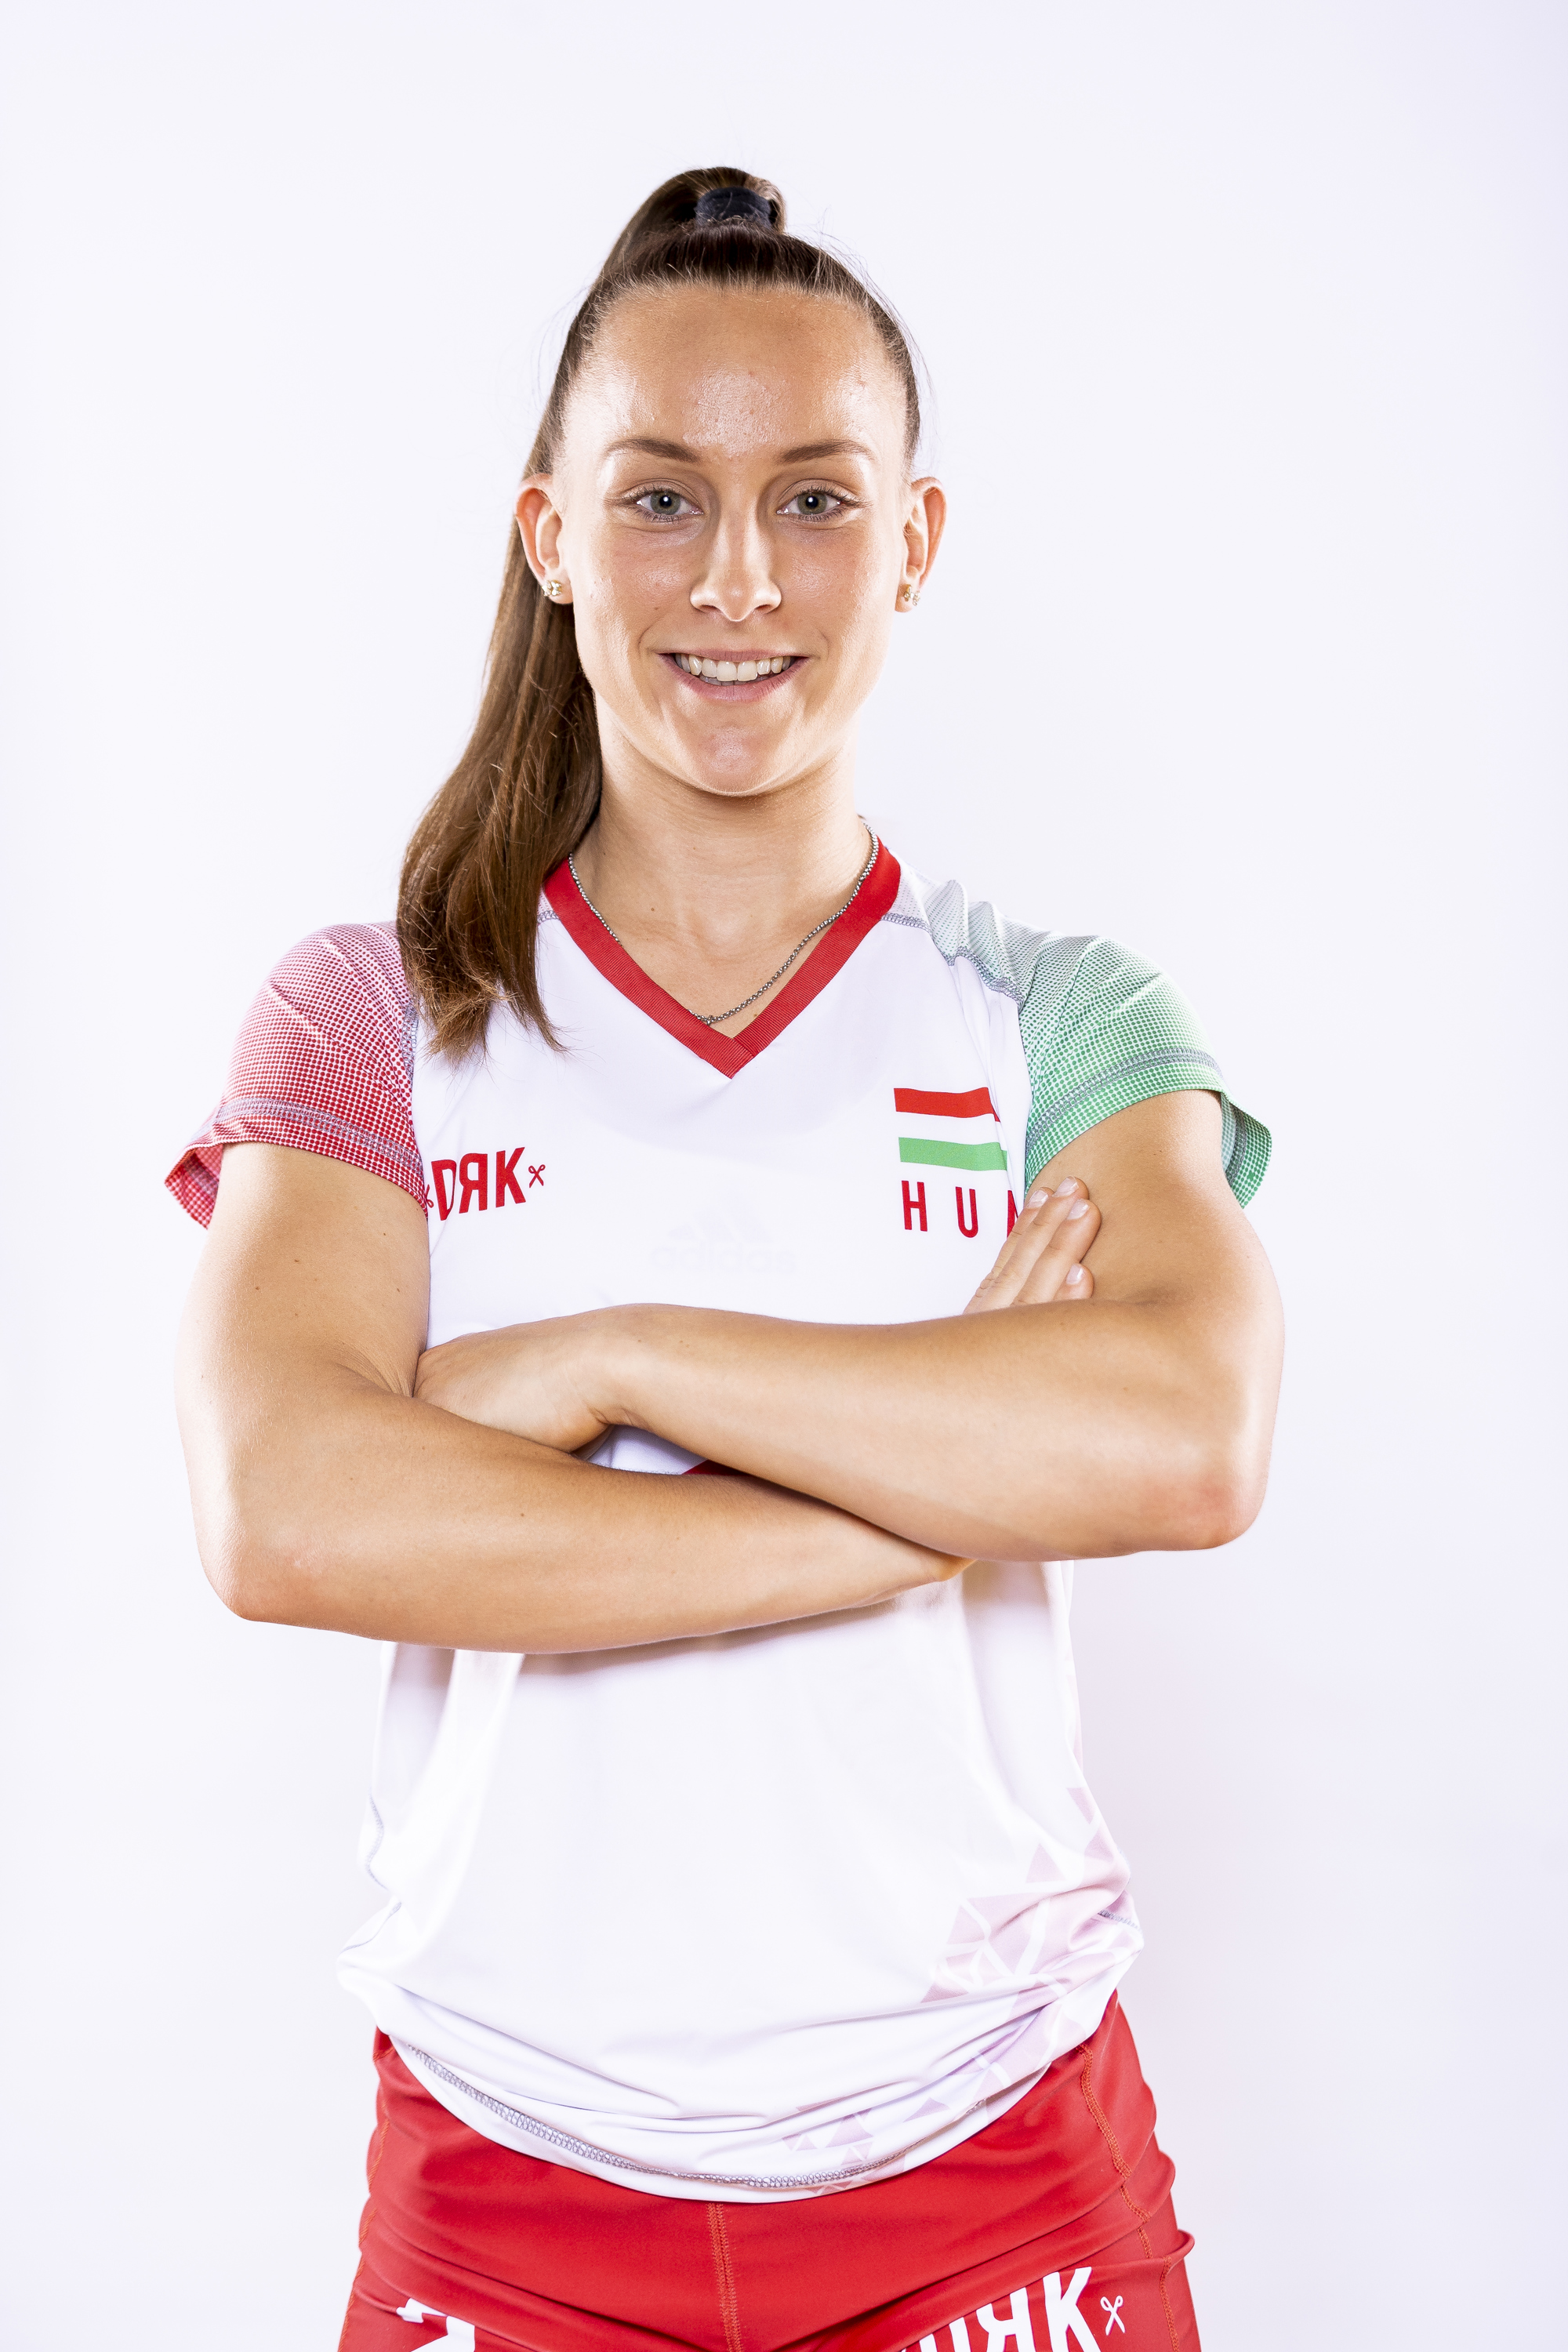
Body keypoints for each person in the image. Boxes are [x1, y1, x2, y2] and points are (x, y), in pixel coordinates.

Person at [169, 168, 1282, 2352]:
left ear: (918, 540)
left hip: (994, 2168)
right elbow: (286, 1510)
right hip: (510, 2180)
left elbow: (1184, 1442)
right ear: (550, 537)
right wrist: (932, 1488)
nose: (741, 576)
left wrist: (612, 1357)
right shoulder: (377, 1014)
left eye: (818, 500)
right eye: (662, 497)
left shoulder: (1052, 1017)